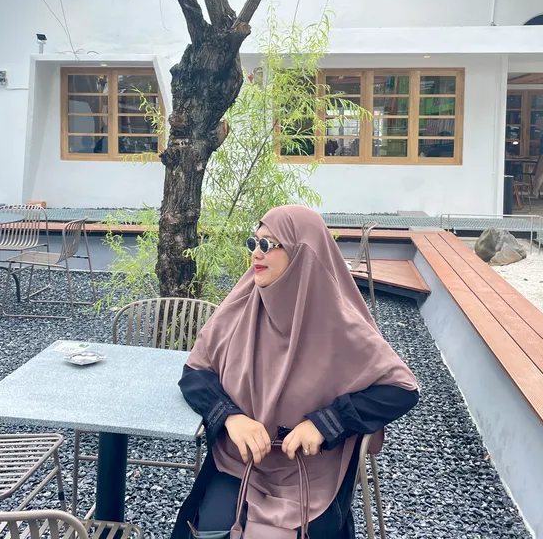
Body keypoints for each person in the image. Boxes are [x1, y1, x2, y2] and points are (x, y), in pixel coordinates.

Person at [172, 205, 419, 539]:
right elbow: (195, 372)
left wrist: (325, 423)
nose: (255, 254)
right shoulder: (242, 307)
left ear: (303, 253)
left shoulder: (340, 324)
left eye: (267, 244)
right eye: (253, 243)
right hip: (238, 462)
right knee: (210, 530)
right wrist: (231, 417)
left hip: (313, 471)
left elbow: (402, 389)